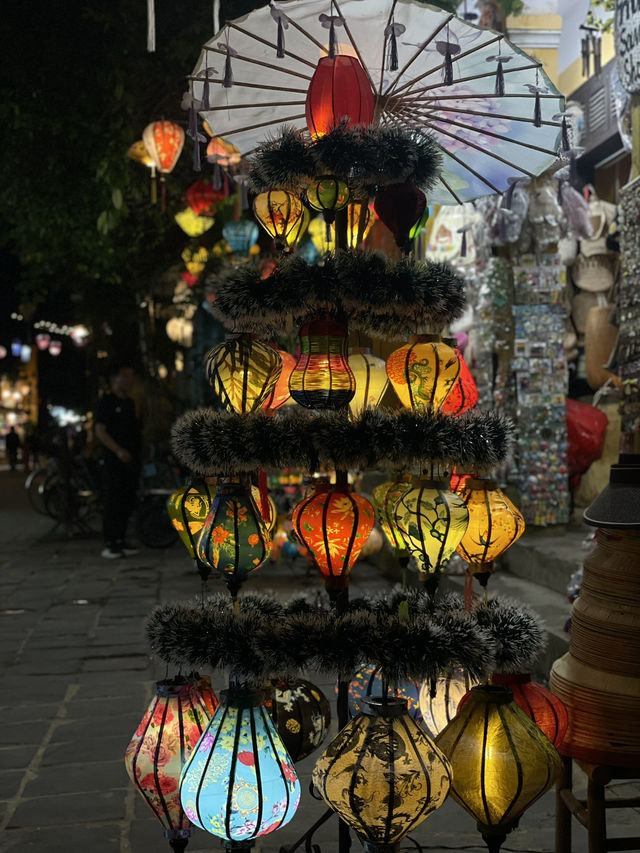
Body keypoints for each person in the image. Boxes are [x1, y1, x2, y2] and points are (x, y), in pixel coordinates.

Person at [94, 364, 142, 559]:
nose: (129, 381)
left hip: (131, 460)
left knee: (127, 500)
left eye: (131, 376)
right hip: (114, 461)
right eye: (125, 376)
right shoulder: (106, 402)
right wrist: (118, 450)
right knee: (113, 500)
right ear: (115, 379)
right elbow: (100, 431)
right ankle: (111, 542)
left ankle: (121, 540)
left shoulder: (130, 403)